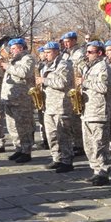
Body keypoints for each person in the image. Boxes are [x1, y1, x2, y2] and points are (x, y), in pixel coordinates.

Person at [77, 41, 111, 186]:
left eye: (90, 52)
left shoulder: (104, 67)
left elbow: (104, 87)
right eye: (87, 52)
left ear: (99, 53)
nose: (87, 54)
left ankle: (103, 172)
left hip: (98, 111)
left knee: (99, 144)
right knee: (89, 144)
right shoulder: (89, 67)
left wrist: (85, 82)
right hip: (87, 110)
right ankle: (95, 170)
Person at [36, 42, 75, 173]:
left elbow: (63, 82)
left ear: (57, 51)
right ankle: (56, 158)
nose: (45, 55)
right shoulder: (45, 65)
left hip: (61, 105)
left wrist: (44, 81)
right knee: (51, 134)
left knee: (63, 134)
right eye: (45, 52)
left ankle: (67, 160)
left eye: (48, 52)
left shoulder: (64, 65)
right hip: (49, 105)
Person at [0, 38, 35, 163]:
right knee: (12, 126)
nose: (12, 51)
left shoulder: (28, 58)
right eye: (11, 48)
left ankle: (26, 151)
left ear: (21, 47)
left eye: (14, 48)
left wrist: (8, 67)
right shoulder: (14, 60)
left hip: (22, 100)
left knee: (23, 126)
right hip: (10, 99)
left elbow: (25, 72)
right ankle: (18, 148)